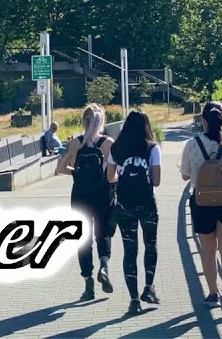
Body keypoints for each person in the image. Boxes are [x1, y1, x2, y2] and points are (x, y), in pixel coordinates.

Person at [180, 102, 222, 317]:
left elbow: (185, 175)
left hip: (202, 204)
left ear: (203, 121)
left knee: (208, 251)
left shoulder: (192, 144)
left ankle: (212, 294)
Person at [57, 103, 116, 300]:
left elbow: (60, 168)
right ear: (102, 121)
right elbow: (113, 173)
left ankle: (88, 284)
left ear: (84, 121)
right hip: (102, 195)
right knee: (103, 234)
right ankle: (104, 266)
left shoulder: (76, 143)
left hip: (80, 196)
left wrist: (77, 173)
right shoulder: (108, 143)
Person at [107, 109, 162, 315]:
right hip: (147, 204)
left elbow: (110, 177)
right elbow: (157, 180)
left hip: (124, 206)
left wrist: (123, 177)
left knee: (130, 251)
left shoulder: (116, 147)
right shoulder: (152, 148)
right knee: (150, 245)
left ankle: (134, 299)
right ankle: (148, 288)